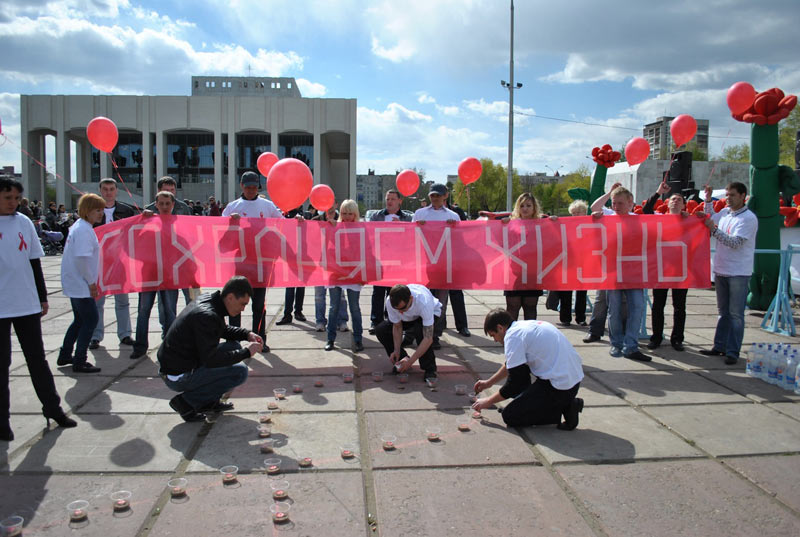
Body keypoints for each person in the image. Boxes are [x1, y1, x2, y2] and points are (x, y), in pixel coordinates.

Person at [0, 177, 77, 441]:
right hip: (1, 306)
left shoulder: (24, 223)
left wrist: (43, 297)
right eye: (7, 198)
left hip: (25, 303)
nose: (13, 203)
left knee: (37, 360)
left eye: (16, 198)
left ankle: (53, 409)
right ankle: (2, 421)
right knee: (3, 364)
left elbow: (34, 263)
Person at [157, 276, 262, 422]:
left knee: (233, 346)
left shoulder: (211, 301)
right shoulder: (207, 315)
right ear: (230, 297)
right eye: (242, 304)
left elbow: (221, 329)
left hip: (180, 361)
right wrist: (246, 352)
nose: (243, 309)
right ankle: (186, 402)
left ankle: (208, 401)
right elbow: (211, 360)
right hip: (178, 375)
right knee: (240, 372)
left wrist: (246, 334)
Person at [473, 309, 584, 429]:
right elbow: (511, 364)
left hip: (560, 386)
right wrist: (489, 383)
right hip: (573, 379)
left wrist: (488, 401)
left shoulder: (513, 337)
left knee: (510, 416)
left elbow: (514, 384)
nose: (495, 340)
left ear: (500, 328)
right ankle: (559, 402)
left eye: (493, 335)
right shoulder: (523, 326)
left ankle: (567, 405)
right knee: (521, 386)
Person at [222, 171, 283, 352]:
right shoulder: (233, 207)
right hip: (240, 262)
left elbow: (283, 224)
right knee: (235, 305)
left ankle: (260, 339)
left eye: (254, 187)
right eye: (247, 187)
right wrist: (230, 222)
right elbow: (218, 230)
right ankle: (234, 340)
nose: (250, 190)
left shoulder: (268, 205)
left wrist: (299, 220)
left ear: (258, 187)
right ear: (241, 186)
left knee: (259, 305)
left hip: (261, 262)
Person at [699, 182, 758, 365]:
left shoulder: (748, 218)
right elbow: (712, 218)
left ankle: (732, 350)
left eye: (732, 195)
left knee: (735, 314)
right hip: (722, 269)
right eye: (727, 195)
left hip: (739, 271)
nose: (728, 198)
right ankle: (719, 346)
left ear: (743, 196)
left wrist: (714, 230)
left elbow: (735, 243)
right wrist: (708, 200)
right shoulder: (725, 212)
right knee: (723, 312)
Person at [590, 185, 649, 362]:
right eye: (614, 203)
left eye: (620, 203)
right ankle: (616, 344)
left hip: (634, 272)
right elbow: (594, 208)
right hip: (614, 272)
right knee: (614, 310)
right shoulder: (608, 217)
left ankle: (631, 345)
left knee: (637, 308)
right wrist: (609, 193)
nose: (616, 206)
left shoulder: (639, 219)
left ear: (631, 203)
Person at [57, 193, 107, 373]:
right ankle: (79, 359)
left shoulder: (79, 227)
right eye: (97, 210)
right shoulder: (84, 230)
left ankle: (65, 354)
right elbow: (82, 259)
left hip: (75, 283)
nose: (101, 213)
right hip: (82, 284)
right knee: (90, 320)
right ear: (88, 211)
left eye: (101, 210)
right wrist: (92, 282)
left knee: (79, 320)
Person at [130, 191, 181, 359]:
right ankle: (140, 346)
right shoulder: (148, 222)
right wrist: (142, 220)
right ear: (156, 204)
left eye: (168, 203)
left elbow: (186, 247)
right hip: (149, 274)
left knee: (170, 311)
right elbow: (133, 240)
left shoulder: (179, 224)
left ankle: (170, 345)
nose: (165, 207)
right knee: (144, 310)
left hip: (169, 274)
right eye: (162, 203)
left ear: (173, 205)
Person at [91, 178, 138, 350]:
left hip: (120, 261)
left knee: (122, 300)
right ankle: (95, 336)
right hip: (99, 262)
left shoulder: (126, 210)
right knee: (97, 301)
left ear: (116, 191)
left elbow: (135, 231)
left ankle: (125, 334)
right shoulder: (92, 211)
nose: (108, 192)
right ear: (100, 191)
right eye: (105, 189)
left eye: (111, 189)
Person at [412, 183, 460, 350]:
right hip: (425, 263)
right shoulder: (420, 214)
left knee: (441, 302)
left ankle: (435, 335)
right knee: (422, 299)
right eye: (433, 195)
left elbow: (460, 240)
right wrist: (418, 226)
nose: (435, 198)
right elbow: (411, 237)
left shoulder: (454, 216)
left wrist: (454, 228)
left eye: (438, 195)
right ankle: (421, 333)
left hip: (444, 265)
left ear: (445, 196)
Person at [644, 181, 689, 351]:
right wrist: (658, 192)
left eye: (679, 199)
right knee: (658, 305)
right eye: (672, 199)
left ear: (684, 205)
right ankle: (656, 337)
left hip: (681, 269)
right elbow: (646, 210)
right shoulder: (659, 218)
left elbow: (706, 220)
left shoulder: (689, 221)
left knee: (679, 306)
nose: (675, 201)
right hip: (662, 268)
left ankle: (677, 339)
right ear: (667, 203)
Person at [375, 284, 442, 383]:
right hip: (408, 318)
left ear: (411, 298)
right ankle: (401, 361)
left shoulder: (424, 302)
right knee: (381, 330)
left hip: (430, 314)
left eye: (403, 308)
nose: (400, 312)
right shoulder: (390, 301)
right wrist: (396, 350)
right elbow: (397, 326)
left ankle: (430, 369)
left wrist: (411, 362)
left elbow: (428, 339)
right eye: (397, 309)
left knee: (421, 333)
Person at [368, 189, 413, 334]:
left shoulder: (407, 218)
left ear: (400, 201)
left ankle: (392, 321)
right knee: (378, 292)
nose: (389, 202)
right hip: (380, 260)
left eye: (393, 199)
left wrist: (402, 225)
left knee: (394, 292)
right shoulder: (376, 216)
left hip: (399, 262)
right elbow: (369, 235)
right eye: (387, 199)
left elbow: (413, 237)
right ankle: (376, 322)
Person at [324, 200, 365, 352]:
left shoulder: (361, 229)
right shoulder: (334, 227)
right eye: (344, 213)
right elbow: (326, 248)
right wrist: (329, 226)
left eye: (350, 214)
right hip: (336, 272)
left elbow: (366, 253)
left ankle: (358, 340)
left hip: (354, 273)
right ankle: (330, 339)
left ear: (356, 214)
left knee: (355, 308)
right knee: (334, 307)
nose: (347, 217)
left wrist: (363, 275)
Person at [502, 193, 545, 321]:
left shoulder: (542, 223)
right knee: (512, 307)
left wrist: (553, 221)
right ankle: (510, 338)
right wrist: (502, 225)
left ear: (534, 208)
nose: (525, 208)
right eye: (522, 206)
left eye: (528, 205)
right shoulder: (511, 223)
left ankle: (530, 338)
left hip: (533, 272)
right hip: (514, 272)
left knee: (530, 307)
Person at [551, 200, 588, 326]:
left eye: (578, 212)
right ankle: (565, 318)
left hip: (584, 263)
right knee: (566, 291)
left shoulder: (589, 225)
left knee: (582, 292)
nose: (575, 215)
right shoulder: (566, 225)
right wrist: (554, 221)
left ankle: (580, 317)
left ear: (585, 212)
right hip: (568, 263)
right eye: (573, 213)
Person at [311, 206, 349, 332]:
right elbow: (309, 237)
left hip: (336, 265)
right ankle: (320, 321)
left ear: (336, 205)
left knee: (340, 295)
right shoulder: (316, 220)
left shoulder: (342, 220)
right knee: (319, 295)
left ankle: (342, 321)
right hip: (320, 265)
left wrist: (336, 226)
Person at [276, 206, 308, 326]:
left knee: (300, 286)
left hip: (301, 255)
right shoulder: (282, 215)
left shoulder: (305, 215)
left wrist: (301, 219)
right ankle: (287, 314)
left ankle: (298, 311)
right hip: (288, 255)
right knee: (290, 287)